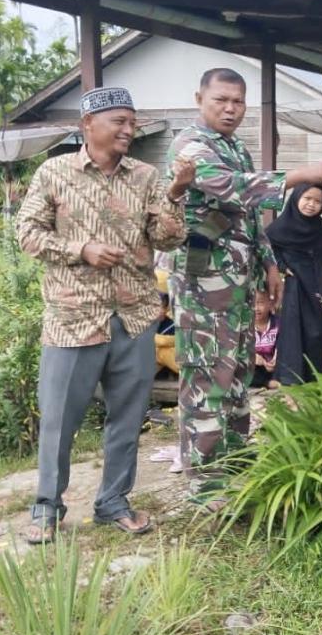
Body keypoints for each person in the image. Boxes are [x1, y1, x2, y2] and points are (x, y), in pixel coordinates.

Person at [16, 86, 194, 544]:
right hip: (74, 319)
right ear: (87, 125)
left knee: (128, 416)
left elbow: (169, 239)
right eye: (119, 121)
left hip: (134, 316)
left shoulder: (146, 176)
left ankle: (113, 501)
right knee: (59, 419)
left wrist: (174, 193)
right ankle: (46, 507)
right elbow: (28, 234)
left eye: (132, 122)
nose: (129, 130)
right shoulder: (54, 173)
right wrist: (81, 249)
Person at [168, 67, 322, 508]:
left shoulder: (235, 147)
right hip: (203, 283)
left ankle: (232, 453)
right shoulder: (191, 146)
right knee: (208, 372)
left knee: (236, 369)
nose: (230, 109)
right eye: (221, 100)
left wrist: (269, 265)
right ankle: (204, 476)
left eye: (238, 102)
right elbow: (235, 188)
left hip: (239, 284)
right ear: (199, 99)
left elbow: (248, 216)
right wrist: (299, 174)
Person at [266, 182, 322, 385]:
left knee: (316, 332)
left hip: (316, 284)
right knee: (293, 332)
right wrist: (279, 266)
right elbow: (265, 249)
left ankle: (315, 380)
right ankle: (290, 379)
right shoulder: (280, 227)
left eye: (318, 201)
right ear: (296, 198)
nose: (312, 205)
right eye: (307, 199)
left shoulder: (320, 227)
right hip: (294, 287)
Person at [250, 291, 278, 388]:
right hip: (256, 368)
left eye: (260, 302)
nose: (256, 308)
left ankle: (278, 380)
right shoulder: (244, 326)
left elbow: (284, 343)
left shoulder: (279, 323)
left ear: (270, 303)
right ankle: (268, 383)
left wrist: (277, 358)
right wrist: (253, 357)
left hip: (275, 366)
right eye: (252, 303)